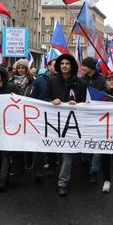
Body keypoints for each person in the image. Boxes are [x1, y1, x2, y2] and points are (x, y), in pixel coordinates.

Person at [44, 53, 87, 197]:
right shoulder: (52, 81)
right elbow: (44, 99)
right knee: (56, 153)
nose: (64, 66)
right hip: (54, 124)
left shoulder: (80, 83)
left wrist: (78, 104)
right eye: (62, 63)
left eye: (67, 64)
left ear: (72, 66)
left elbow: (86, 104)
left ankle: (63, 183)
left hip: (71, 126)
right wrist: (52, 101)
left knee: (67, 155)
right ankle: (52, 169)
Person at [28, 59, 56, 180]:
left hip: (55, 118)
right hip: (40, 117)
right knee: (39, 145)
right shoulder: (39, 80)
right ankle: (38, 170)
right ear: (48, 66)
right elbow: (32, 98)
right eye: (54, 65)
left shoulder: (61, 80)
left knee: (53, 144)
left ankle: (52, 167)